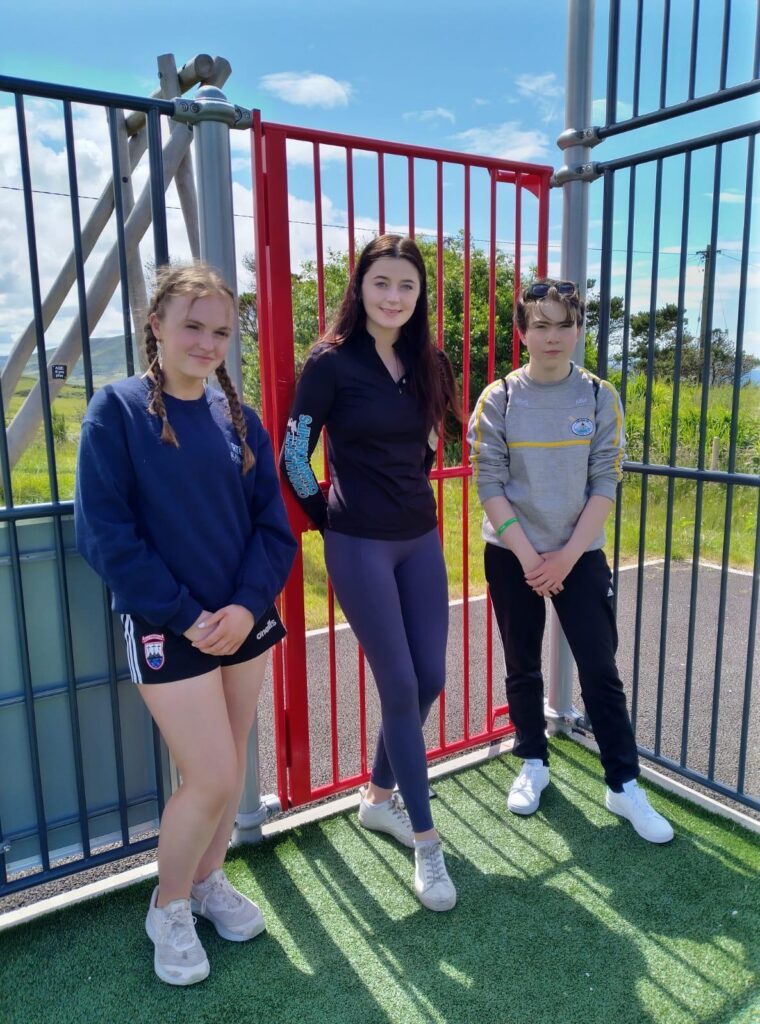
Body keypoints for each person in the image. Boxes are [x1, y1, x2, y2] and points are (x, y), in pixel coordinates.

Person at [74, 263, 297, 985]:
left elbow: (273, 528)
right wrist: (188, 615)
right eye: (192, 326)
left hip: (242, 621)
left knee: (227, 771)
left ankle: (207, 882)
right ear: (157, 326)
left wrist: (242, 608)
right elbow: (105, 536)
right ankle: (168, 906)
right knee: (211, 775)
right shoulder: (117, 411)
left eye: (221, 332)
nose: (207, 343)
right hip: (168, 626)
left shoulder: (240, 418)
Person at [280, 234, 463, 910]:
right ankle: (427, 844)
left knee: (432, 678)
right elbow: (294, 455)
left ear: (419, 297)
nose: (394, 297)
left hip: (420, 536)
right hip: (358, 543)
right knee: (399, 682)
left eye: (407, 287)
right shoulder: (329, 362)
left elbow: (430, 441)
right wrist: (327, 520)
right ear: (360, 288)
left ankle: (378, 797)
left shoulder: (427, 360)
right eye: (382, 283)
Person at [467, 279, 673, 844]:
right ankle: (533, 761)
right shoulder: (499, 398)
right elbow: (489, 482)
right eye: (540, 324)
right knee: (521, 664)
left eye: (564, 324)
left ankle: (623, 783)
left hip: (579, 555)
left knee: (601, 670)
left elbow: (605, 481)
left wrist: (564, 559)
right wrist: (534, 558)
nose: (552, 336)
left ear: (579, 329)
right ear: (522, 332)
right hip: (514, 555)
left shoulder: (600, 396)